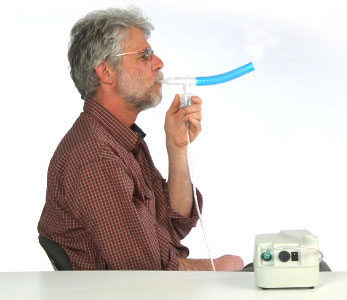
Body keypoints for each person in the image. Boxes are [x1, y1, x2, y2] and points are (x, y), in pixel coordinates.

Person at [37, 7, 244, 271]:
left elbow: (174, 224)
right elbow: (148, 273)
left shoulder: (120, 140)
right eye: (144, 55)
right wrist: (219, 267)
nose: (159, 63)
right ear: (106, 72)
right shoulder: (96, 157)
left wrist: (177, 147)